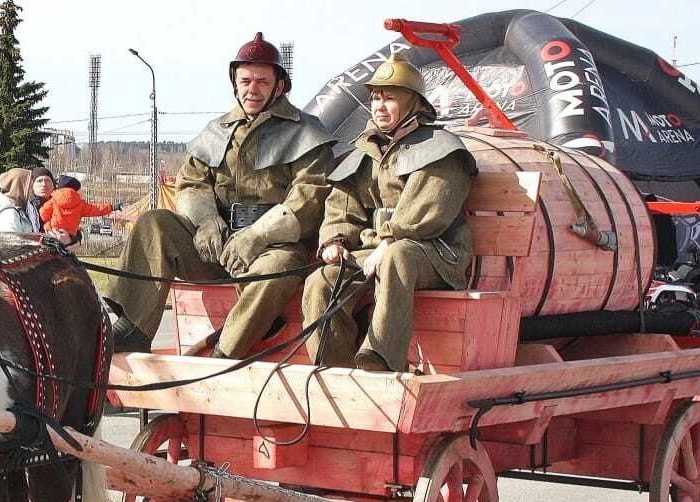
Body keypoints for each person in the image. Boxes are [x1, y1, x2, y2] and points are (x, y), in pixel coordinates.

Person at [101, 33, 335, 356]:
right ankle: (134, 327)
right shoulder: (217, 130)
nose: (252, 89)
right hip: (218, 245)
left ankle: (223, 353)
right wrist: (207, 221)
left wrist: (256, 236)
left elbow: (310, 196)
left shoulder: (306, 132)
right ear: (235, 83)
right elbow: (192, 182)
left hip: (273, 247)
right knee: (154, 224)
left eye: (262, 81)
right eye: (245, 81)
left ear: (279, 86)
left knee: (278, 269)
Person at [302, 52, 476, 372]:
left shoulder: (441, 148)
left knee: (398, 256)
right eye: (375, 98)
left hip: (436, 251)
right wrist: (335, 240)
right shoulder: (367, 149)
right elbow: (343, 204)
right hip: (376, 248)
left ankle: (381, 358)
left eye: (390, 98)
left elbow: (428, 209)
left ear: (413, 102)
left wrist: (390, 239)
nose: (380, 106)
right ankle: (333, 367)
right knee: (322, 280)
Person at [39, 175, 121, 241]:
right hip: (70, 235)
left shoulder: (54, 200)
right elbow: (96, 209)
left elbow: (43, 213)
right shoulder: (80, 204)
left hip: (54, 231)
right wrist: (112, 207)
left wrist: (48, 222)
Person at [0, 167, 36, 233]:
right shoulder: (8, 215)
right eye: (30, 187)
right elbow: (10, 242)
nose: (33, 191)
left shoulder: (17, 212)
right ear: (20, 188)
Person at [28, 166, 55, 231]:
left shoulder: (59, 203)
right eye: (39, 181)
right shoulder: (28, 207)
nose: (44, 184)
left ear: (53, 185)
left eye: (47, 180)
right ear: (32, 185)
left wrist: (74, 239)